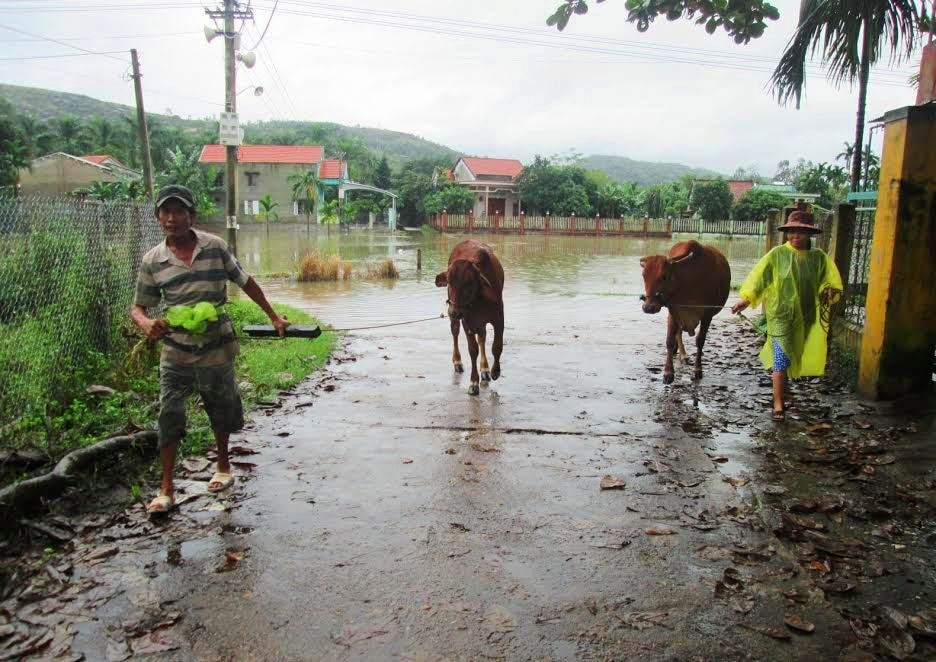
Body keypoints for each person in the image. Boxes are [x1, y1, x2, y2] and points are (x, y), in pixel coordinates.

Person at [132, 185, 289, 514]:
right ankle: (166, 488)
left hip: (216, 347)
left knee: (220, 406)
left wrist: (274, 317)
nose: (172, 218)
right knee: (169, 413)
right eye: (166, 212)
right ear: (159, 217)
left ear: (192, 215)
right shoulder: (153, 260)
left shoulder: (215, 247)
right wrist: (147, 324)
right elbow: (139, 308)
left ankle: (223, 466)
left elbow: (246, 281)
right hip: (175, 351)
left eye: (179, 211)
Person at [730, 210, 843, 421]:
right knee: (781, 359)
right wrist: (745, 300)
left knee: (793, 354)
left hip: (806, 316)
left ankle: (783, 390)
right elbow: (760, 280)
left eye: (800, 232)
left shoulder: (820, 258)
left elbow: (830, 281)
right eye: (791, 232)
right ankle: (778, 403)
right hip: (780, 314)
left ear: (810, 234)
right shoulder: (777, 254)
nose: (795, 237)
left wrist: (830, 290)